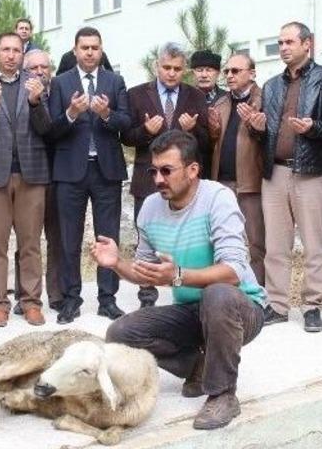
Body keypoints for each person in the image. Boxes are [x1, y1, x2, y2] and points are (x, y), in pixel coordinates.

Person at [100, 130, 265, 430]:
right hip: (193, 312)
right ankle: (198, 367)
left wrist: (178, 276)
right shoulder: (150, 207)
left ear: (192, 170)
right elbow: (147, 273)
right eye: (154, 171)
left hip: (242, 309)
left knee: (218, 293)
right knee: (120, 333)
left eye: (167, 170)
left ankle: (223, 394)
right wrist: (117, 264)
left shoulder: (217, 198)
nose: (159, 179)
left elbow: (233, 272)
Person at [252, 22, 322, 332]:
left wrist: (314, 128)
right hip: (275, 172)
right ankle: (278, 305)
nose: (283, 47)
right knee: (276, 245)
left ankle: (312, 306)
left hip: (310, 172)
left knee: (313, 244)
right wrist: (256, 127)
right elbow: (267, 132)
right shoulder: (270, 86)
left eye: (289, 41)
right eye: (280, 42)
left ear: (308, 44)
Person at [48, 26, 130, 324]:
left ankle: (107, 299)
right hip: (70, 172)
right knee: (69, 238)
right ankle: (71, 299)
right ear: (75, 50)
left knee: (107, 236)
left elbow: (126, 121)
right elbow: (51, 130)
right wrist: (71, 113)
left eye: (95, 47)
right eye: (85, 47)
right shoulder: (60, 83)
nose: (90, 52)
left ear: (101, 49)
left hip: (105, 170)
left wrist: (107, 114)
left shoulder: (114, 80)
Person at [0, 32, 51, 327]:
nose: (11, 55)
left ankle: (30, 302)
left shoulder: (37, 84)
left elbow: (46, 129)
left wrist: (35, 102)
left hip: (32, 173)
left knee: (30, 243)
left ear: (22, 54)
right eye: (5, 49)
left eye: (16, 50)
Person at [122, 42, 209, 308]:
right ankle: (147, 296)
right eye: (166, 67)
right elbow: (125, 136)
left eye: (177, 69)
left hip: (183, 182)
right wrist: (146, 131)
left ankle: (187, 292)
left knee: (188, 237)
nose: (171, 73)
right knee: (146, 241)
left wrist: (192, 130)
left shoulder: (195, 96)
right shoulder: (136, 94)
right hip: (147, 179)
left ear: (184, 70)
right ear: (156, 66)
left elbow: (207, 142)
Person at [207, 54, 266, 287]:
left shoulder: (264, 99)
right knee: (221, 242)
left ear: (251, 73)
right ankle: (225, 294)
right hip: (221, 184)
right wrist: (211, 131)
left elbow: (270, 139)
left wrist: (256, 127)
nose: (229, 76)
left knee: (255, 244)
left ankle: (257, 294)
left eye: (236, 71)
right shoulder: (220, 103)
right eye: (227, 71)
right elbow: (213, 143)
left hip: (251, 183)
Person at [14, 49, 63, 315]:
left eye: (45, 67)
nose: (40, 72)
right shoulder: (17, 94)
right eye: (34, 68)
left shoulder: (58, 92)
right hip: (27, 175)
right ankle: (24, 295)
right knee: (26, 238)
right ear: (25, 70)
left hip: (56, 174)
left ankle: (55, 294)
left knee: (56, 238)